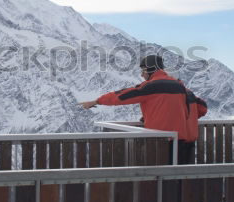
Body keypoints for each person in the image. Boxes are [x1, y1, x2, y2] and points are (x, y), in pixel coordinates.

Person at [79, 54, 208, 164]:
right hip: (184, 142)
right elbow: (202, 108)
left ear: (152, 70)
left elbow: (122, 96)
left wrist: (97, 101)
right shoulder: (181, 88)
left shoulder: (151, 86)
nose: (142, 75)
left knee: (159, 180)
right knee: (181, 182)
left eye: (144, 71)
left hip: (161, 141)